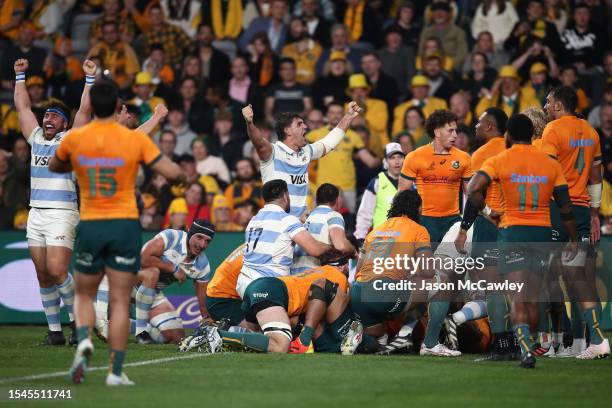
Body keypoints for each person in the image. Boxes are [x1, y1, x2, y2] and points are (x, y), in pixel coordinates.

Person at [49, 79, 182, 386]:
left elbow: (56, 166)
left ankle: (83, 339)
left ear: (91, 106)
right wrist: (180, 178)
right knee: (121, 300)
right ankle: (115, 371)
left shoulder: (76, 137)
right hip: (123, 224)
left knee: (84, 293)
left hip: (91, 223)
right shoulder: (132, 139)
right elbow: (171, 172)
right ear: (119, 109)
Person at [459, 113, 577, 369]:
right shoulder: (550, 163)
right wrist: (574, 238)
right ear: (533, 134)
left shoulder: (500, 158)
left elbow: (472, 188)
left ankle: (525, 351)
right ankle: (529, 345)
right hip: (541, 234)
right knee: (532, 298)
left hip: (512, 232)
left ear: (509, 135)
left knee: (516, 297)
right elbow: (566, 207)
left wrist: (488, 212)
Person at [14, 58, 96, 346]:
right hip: (36, 213)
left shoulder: (71, 139)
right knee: (43, 274)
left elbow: (85, 110)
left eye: (54, 117)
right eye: (46, 116)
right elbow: (23, 108)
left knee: (59, 270)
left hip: (62, 213)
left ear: (64, 123)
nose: (47, 120)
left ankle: (78, 323)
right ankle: (54, 331)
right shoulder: (36, 137)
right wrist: (20, 75)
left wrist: (89, 80)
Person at [541, 86, 609, 359]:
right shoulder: (591, 132)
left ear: (558, 105)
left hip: (559, 209)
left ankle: (571, 340)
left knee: (553, 278)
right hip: (582, 210)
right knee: (580, 278)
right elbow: (596, 177)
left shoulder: (553, 130)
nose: (545, 107)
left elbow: (546, 175)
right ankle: (584, 341)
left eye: (548, 102)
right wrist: (594, 213)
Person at [455, 107, 515, 360]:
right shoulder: (516, 150)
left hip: (491, 225)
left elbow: (474, 193)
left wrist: (464, 228)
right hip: (517, 225)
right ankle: (514, 342)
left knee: (492, 286)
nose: (475, 126)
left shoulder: (482, 154)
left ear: (490, 126)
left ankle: (501, 346)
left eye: (479, 122)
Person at [242, 98, 361, 217]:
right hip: (278, 221)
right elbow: (259, 141)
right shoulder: (273, 152)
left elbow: (329, 142)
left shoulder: (306, 152)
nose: (305, 126)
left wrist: (348, 116)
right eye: (299, 124)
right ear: (287, 130)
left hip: (301, 221)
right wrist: (250, 123)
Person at [235, 179, 331, 300]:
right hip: (265, 286)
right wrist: (334, 247)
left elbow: (277, 229)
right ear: (285, 196)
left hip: (244, 284)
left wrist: (298, 222)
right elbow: (315, 250)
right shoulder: (288, 221)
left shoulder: (254, 220)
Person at [398, 110, 473, 244]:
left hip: (453, 221)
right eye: (450, 131)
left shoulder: (464, 158)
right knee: (425, 263)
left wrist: (468, 224)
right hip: (425, 220)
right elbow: (402, 195)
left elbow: (471, 196)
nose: (455, 135)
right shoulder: (415, 157)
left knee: (453, 264)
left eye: (455, 131)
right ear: (437, 132)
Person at [134, 221, 214, 344]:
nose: (202, 244)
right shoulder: (172, 237)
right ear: (190, 233)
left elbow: (203, 303)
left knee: (177, 337)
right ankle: (140, 330)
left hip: (152, 293)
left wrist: (207, 320)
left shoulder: (202, 266)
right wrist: (174, 268)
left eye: (207, 241)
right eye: (199, 237)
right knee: (153, 273)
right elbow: (143, 258)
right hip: (129, 282)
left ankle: (128, 324)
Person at [306, 101, 380, 212]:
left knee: (347, 220)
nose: (335, 115)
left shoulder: (353, 135)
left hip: (347, 186)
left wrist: (383, 159)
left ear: (343, 114)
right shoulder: (315, 134)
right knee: (322, 218)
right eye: (332, 112)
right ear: (327, 115)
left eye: (339, 112)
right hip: (323, 185)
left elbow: (369, 161)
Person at [293, 183, 356, 274]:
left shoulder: (306, 218)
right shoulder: (333, 215)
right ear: (337, 200)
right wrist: (354, 252)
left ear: (317, 200)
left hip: (296, 275)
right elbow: (341, 245)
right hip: (315, 276)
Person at [355, 142, 405, 243]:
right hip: (382, 239)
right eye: (392, 158)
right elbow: (365, 213)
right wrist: (360, 237)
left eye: (400, 157)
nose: (397, 161)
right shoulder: (377, 182)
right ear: (385, 161)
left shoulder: (413, 182)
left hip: (405, 238)